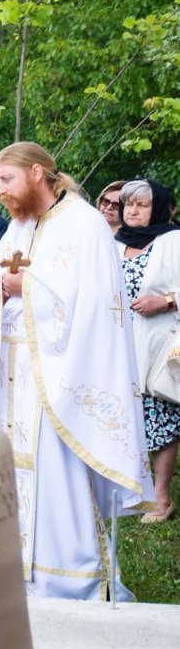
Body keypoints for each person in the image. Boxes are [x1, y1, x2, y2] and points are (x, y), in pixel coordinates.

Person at [0, 141, 153, 600]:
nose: (0, 192)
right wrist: (2, 285)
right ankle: (17, 575)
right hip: (15, 376)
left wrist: (26, 287)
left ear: (37, 173)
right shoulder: (18, 228)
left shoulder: (86, 225)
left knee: (58, 477)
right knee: (13, 471)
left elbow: (96, 305)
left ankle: (74, 579)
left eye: (6, 180)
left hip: (61, 378)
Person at [114, 179, 179, 524]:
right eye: (128, 205)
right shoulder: (115, 243)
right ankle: (132, 491)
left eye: (141, 205)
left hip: (157, 344)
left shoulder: (173, 240)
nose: (133, 211)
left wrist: (166, 301)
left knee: (161, 420)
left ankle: (162, 498)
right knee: (128, 418)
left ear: (158, 208)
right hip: (117, 346)